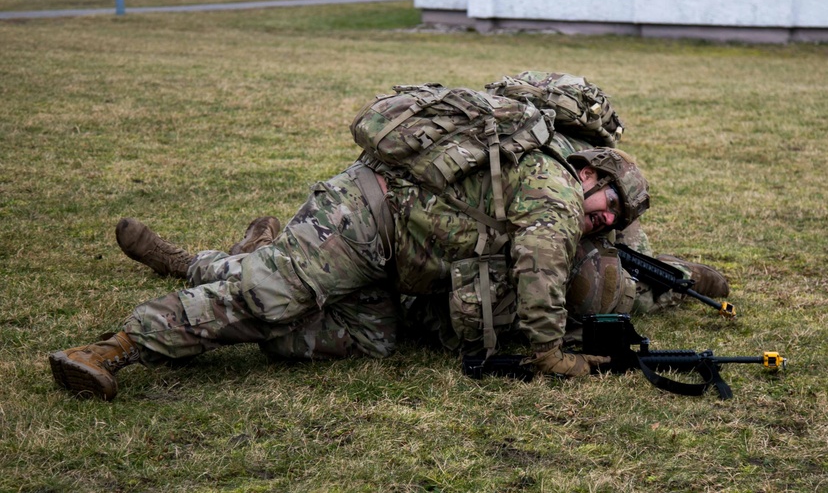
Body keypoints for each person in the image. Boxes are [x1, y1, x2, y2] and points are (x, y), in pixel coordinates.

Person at [48, 147, 650, 401]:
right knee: (263, 301)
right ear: (588, 172)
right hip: (360, 222)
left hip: (391, 265)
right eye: (609, 200)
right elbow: (542, 271)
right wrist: (549, 356)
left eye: (616, 217)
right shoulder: (556, 189)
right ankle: (113, 347)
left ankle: (217, 262)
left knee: (370, 338)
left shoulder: (547, 186)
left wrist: (696, 278)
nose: (605, 217)